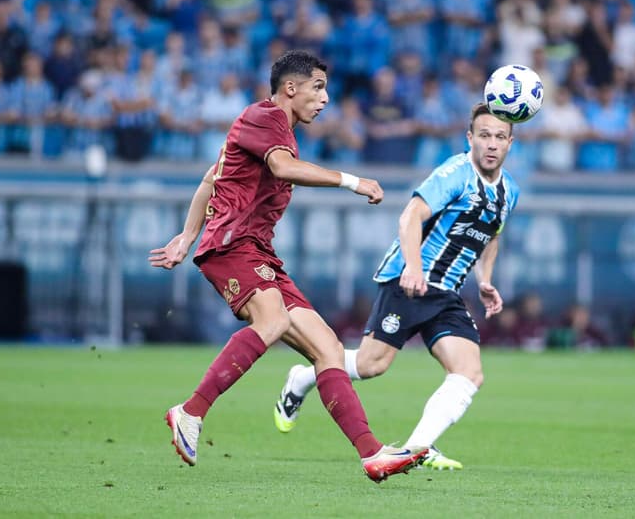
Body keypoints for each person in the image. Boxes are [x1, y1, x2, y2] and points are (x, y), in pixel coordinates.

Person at [148, 50, 426, 483]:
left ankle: (372, 454)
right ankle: (190, 411)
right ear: (290, 88)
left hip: (258, 251)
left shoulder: (274, 129)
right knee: (273, 320)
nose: (326, 98)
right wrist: (351, 180)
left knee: (328, 349)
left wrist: (185, 237)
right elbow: (282, 167)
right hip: (232, 245)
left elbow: (210, 178)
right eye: (318, 87)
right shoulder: (265, 117)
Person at [272, 103, 521, 471]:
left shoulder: (509, 192)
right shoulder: (454, 173)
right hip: (408, 281)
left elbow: (492, 234)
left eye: (500, 137)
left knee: (469, 372)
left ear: (510, 143)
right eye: (484, 135)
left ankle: (416, 448)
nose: (491, 144)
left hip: (447, 292)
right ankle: (303, 377)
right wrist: (415, 269)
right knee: (372, 365)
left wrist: (485, 280)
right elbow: (410, 217)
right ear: (470, 138)